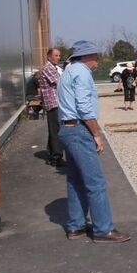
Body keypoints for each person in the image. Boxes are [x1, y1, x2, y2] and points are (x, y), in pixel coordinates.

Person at [57, 40, 130, 243]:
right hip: (79, 130)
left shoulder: (69, 71)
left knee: (76, 180)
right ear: (86, 56)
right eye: (95, 56)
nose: (98, 60)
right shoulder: (81, 72)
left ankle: (76, 225)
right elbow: (84, 107)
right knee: (95, 181)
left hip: (67, 128)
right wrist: (96, 134)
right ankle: (102, 229)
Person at [37, 47, 65, 166]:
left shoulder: (54, 68)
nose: (58, 58)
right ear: (49, 57)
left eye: (59, 56)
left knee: (54, 129)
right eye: (56, 55)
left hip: (55, 102)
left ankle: (52, 154)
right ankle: (56, 157)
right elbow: (60, 82)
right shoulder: (48, 68)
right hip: (53, 103)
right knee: (56, 130)